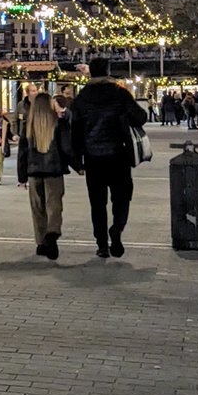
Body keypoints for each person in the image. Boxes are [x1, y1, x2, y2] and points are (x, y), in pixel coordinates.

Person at [70, 58, 148, 258]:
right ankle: (118, 228)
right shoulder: (120, 93)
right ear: (108, 71)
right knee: (122, 197)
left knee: (97, 203)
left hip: (93, 158)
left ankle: (102, 244)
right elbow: (140, 117)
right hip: (118, 155)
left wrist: (77, 161)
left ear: (91, 73)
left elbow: (76, 131)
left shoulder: (82, 97)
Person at [17, 94, 79, 260]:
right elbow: (67, 149)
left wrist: (21, 177)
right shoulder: (59, 123)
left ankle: (41, 243)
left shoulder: (27, 127)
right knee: (54, 206)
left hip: (33, 173)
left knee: (37, 208)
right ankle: (52, 234)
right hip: (54, 172)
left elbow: (22, 153)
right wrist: (78, 166)